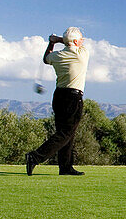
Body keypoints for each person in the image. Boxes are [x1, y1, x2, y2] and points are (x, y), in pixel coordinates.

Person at [26, 27, 90, 176]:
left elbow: (45, 58)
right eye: (80, 39)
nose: (82, 41)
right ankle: (35, 157)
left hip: (59, 96)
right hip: (73, 97)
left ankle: (65, 167)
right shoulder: (82, 54)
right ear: (75, 41)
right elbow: (73, 44)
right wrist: (59, 40)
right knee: (66, 133)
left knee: (66, 132)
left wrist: (52, 43)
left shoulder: (57, 56)